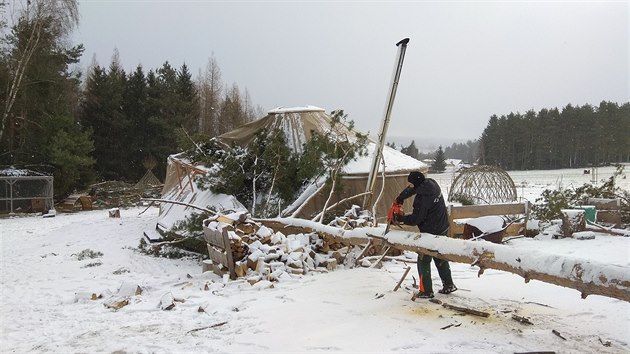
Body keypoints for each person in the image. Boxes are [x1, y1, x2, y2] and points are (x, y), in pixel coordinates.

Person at [395, 171, 457, 299]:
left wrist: (401, 218)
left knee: (423, 260)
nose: (410, 186)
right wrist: (401, 197)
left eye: (411, 183)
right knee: (439, 256)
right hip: (443, 227)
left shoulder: (423, 199)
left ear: (416, 183)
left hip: (431, 232)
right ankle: (449, 284)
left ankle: (426, 290)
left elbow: (416, 219)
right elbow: (414, 188)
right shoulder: (431, 184)